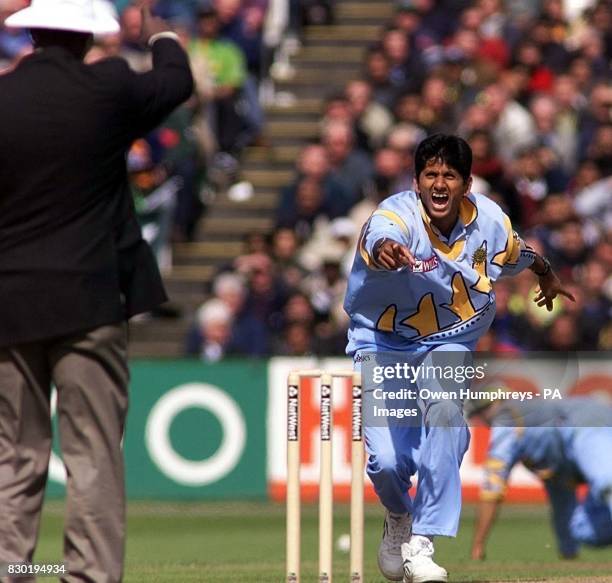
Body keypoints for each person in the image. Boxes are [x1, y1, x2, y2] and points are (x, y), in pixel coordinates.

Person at [0, 1, 193, 581]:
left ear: (30, 33)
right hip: (89, 297)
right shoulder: (107, 90)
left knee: (12, 456)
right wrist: (155, 31)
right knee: (92, 456)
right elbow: (176, 80)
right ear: (89, 38)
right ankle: (86, 575)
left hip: (8, 302)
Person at [343, 134, 574, 582]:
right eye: (430, 174)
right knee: (389, 463)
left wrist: (545, 271)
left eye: (450, 175)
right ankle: (398, 518)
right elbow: (380, 238)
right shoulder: (396, 215)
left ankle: (424, 540)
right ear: (416, 181)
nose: (439, 184)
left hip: (451, 337)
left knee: (446, 411)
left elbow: (518, 252)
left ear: (467, 183)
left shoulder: (489, 220)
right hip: (383, 342)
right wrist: (388, 251)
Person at [468, 395, 612, 560]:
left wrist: (478, 546)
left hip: (589, 421)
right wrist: (568, 552)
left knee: (608, 483)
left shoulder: (506, 414)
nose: (483, 420)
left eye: (482, 411)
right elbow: (561, 498)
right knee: (584, 530)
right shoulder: (540, 438)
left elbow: (492, 485)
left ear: (494, 404)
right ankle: (569, 553)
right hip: (572, 439)